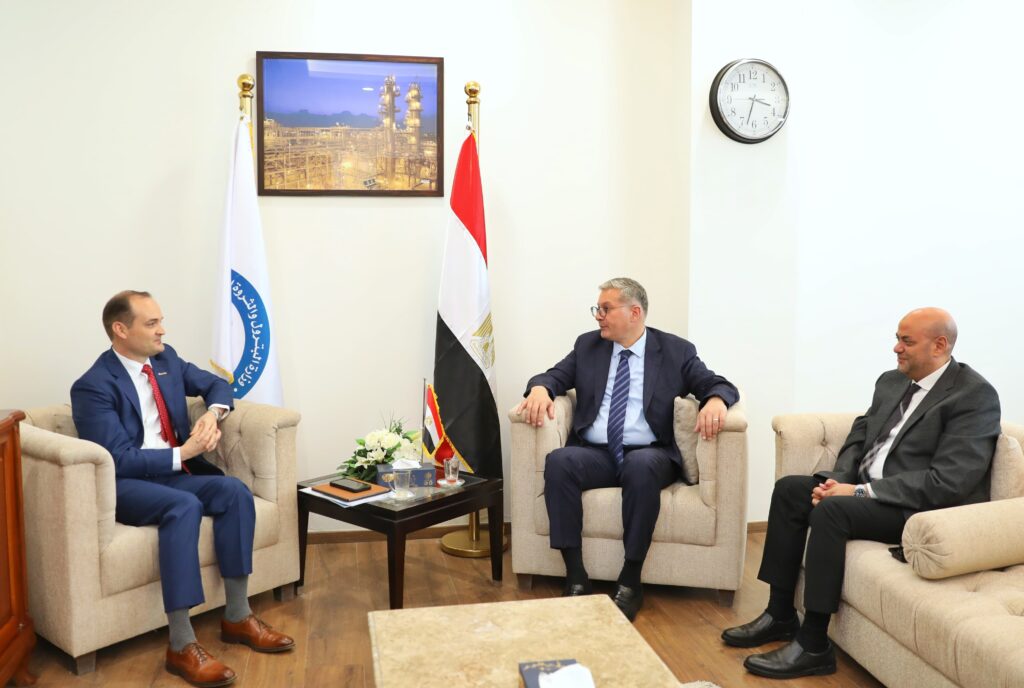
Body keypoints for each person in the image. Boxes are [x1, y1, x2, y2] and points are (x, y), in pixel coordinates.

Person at [723, 307, 1001, 679]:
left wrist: (856, 492)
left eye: (906, 341)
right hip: (864, 490)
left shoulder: (974, 396)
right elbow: (860, 433)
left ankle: (814, 645)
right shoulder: (892, 381)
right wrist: (836, 481)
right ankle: (780, 614)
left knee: (832, 512)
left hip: (917, 509)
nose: (896, 348)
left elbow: (949, 482)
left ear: (939, 345)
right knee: (790, 490)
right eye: (897, 338)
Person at [71, 291, 294, 688]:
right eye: (151, 323)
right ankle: (181, 643)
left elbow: (217, 384)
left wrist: (213, 414)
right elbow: (118, 459)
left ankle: (238, 616)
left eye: (161, 320)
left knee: (234, 492)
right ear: (120, 330)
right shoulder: (92, 386)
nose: (163, 330)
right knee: (184, 505)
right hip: (128, 484)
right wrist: (183, 452)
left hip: (175, 472)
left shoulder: (166, 361)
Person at [515, 277, 739, 621]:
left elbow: (717, 383)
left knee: (640, 466)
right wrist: (540, 389)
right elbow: (553, 376)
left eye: (606, 309)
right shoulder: (588, 346)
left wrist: (716, 400)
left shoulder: (675, 351)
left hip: (650, 453)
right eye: (598, 309)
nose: (598, 316)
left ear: (635, 313)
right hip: (598, 453)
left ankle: (631, 579)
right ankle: (575, 575)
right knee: (559, 461)